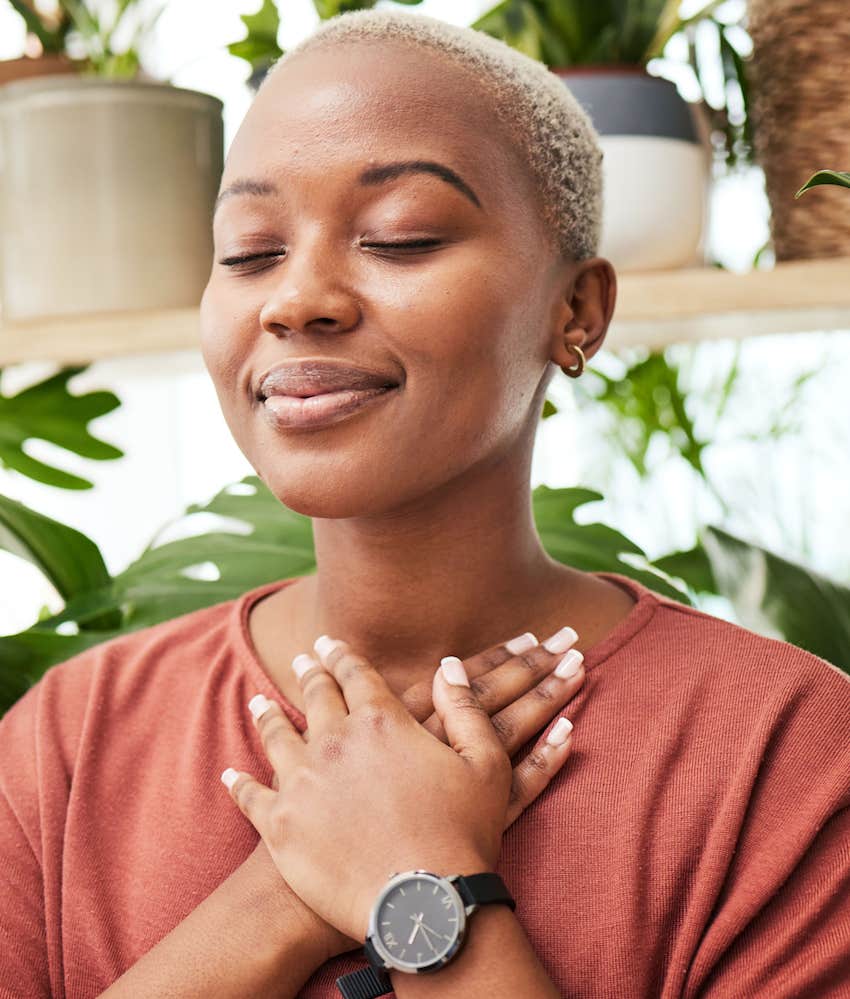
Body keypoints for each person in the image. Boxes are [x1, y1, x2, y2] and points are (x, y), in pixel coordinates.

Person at [2, 8, 849, 998]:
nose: (296, 298)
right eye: (248, 251)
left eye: (400, 238)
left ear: (576, 311)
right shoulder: (72, 736)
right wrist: (277, 897)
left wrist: (424, 888)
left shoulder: (781, 752)